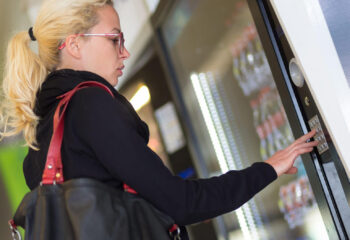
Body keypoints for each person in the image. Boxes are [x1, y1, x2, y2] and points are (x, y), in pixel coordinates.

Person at [0, 0, 318, 239]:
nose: (124, 53)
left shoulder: (41, 133)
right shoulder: (90, 104)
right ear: (74, 44)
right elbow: (182, 203)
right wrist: (267, 168)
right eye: (114, 39)